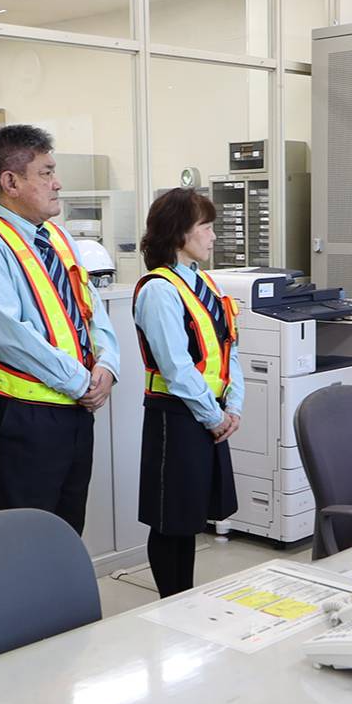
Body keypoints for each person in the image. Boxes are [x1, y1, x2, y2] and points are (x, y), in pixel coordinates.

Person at [0, 123, 123, 532]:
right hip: (23, 414)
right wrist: (80, 381)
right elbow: (5, 333)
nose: (58, 183)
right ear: (10, 182)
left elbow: (91, 310)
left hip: (74, 410)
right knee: (25, 535)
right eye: (46, 173)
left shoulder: (59, 238)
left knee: (67, 527)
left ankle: (63, 598)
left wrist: (108, 367)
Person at [132, 188, 243, 596]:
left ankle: (186, 596)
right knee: (170, 518)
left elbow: (228, 348)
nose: (214, 236)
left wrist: (233, 404)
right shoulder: (159, 290)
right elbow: (176, 367)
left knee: (191, 516)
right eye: (207, 227)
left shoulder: (204, 283)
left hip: (208, 414)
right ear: (180, 233)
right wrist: (215, 417)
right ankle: (170, 601)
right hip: (176, 416)